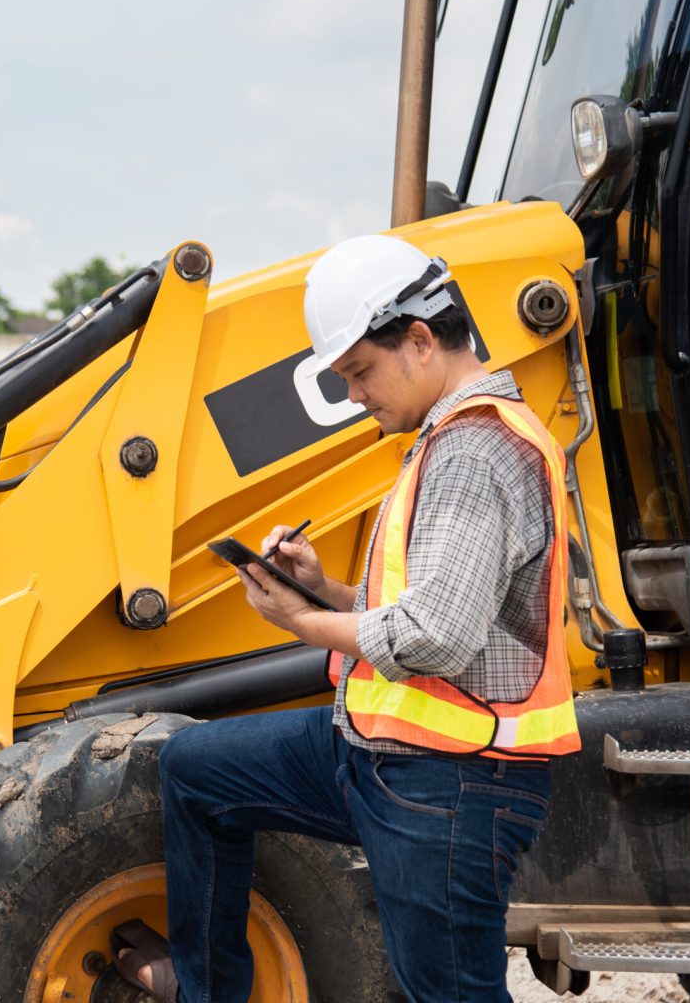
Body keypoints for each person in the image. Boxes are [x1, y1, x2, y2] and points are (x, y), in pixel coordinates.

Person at [111, 233, 581, 1002]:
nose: (355, 397)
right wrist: (324, 589)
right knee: (195, 771)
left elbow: (435, 636)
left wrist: (300, 622)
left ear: (421, 340)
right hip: (383, 753)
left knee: (449, 993)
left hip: (452, 784)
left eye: (360, 372)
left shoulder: (472, 452)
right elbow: (431, 609)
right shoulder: (447, 440)